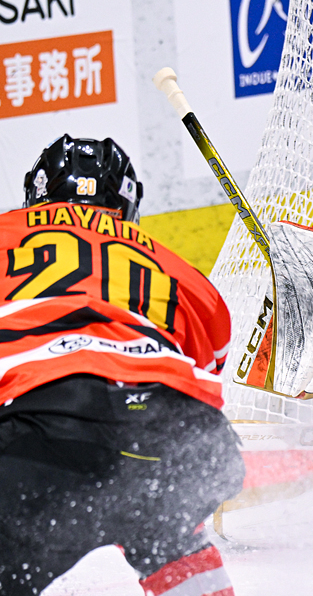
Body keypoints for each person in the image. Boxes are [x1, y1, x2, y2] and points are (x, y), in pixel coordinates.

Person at [0, 135, 244, 596]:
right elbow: (209, 366)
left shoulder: (6, 233)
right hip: (190, 438)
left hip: (50, 435)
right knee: (163, 518)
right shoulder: (176, 267)